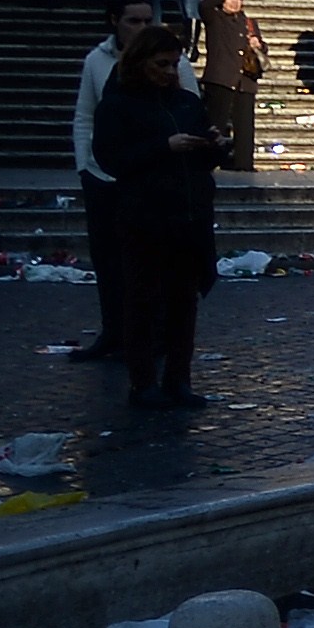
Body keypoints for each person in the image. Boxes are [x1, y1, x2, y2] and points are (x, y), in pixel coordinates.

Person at [95, 23, 221, 413]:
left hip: (188, 214)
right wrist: (163, 147)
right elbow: (112, 159)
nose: (169, 72)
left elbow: (204, 157)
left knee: (185, 303)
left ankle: (178, 380)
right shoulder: (117, 104)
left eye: (175, 65)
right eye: (162, 64)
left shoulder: (186, 102)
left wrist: (213, 144)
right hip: (146, 216)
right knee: (143, 302)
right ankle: (143, 382)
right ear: (141, 62)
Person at [66, 0, 158, 364]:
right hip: (102, 173)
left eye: (147, 21)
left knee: (149, 260)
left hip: (148, 173)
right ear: (115, 22)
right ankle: (113, 330)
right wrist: (83, 164)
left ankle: (150, 333)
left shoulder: (170, 61)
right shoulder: (95, 60)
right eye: (133, 21)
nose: (141, 27)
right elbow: (84, 114)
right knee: (107, 259)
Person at [199, 0, 267, 172]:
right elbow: (203, 6)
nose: (236, 2)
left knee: (245, 124)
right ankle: (210, 161)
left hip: (245, 79)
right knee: (216, 122)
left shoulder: (248, 22)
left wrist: (258, 45)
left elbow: (263, 49)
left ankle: (244, 163)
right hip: (220, 77)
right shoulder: (215, 18)